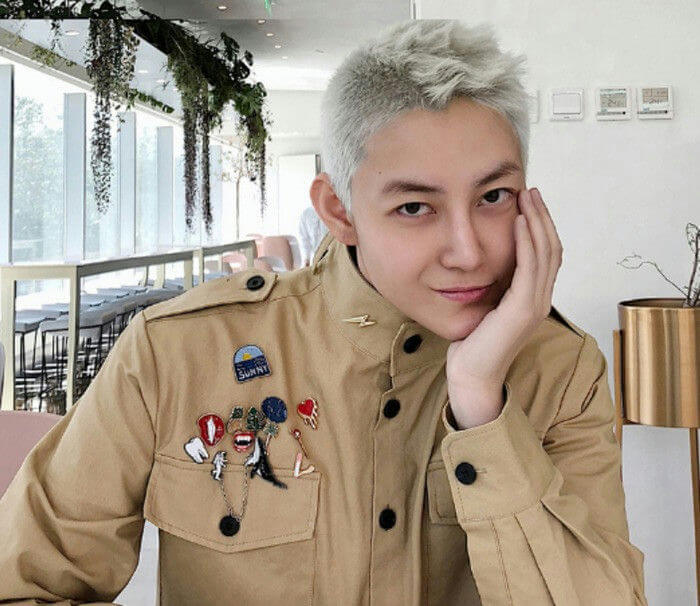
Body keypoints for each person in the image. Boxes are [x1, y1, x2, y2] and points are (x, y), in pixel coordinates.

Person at [0, 19, 647, 605]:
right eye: (415, 207)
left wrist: (481, 404)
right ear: (340, 211)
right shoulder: (176, 351)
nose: (468, 252)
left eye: (494, 196)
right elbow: (24, 584)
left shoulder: (562, 371)